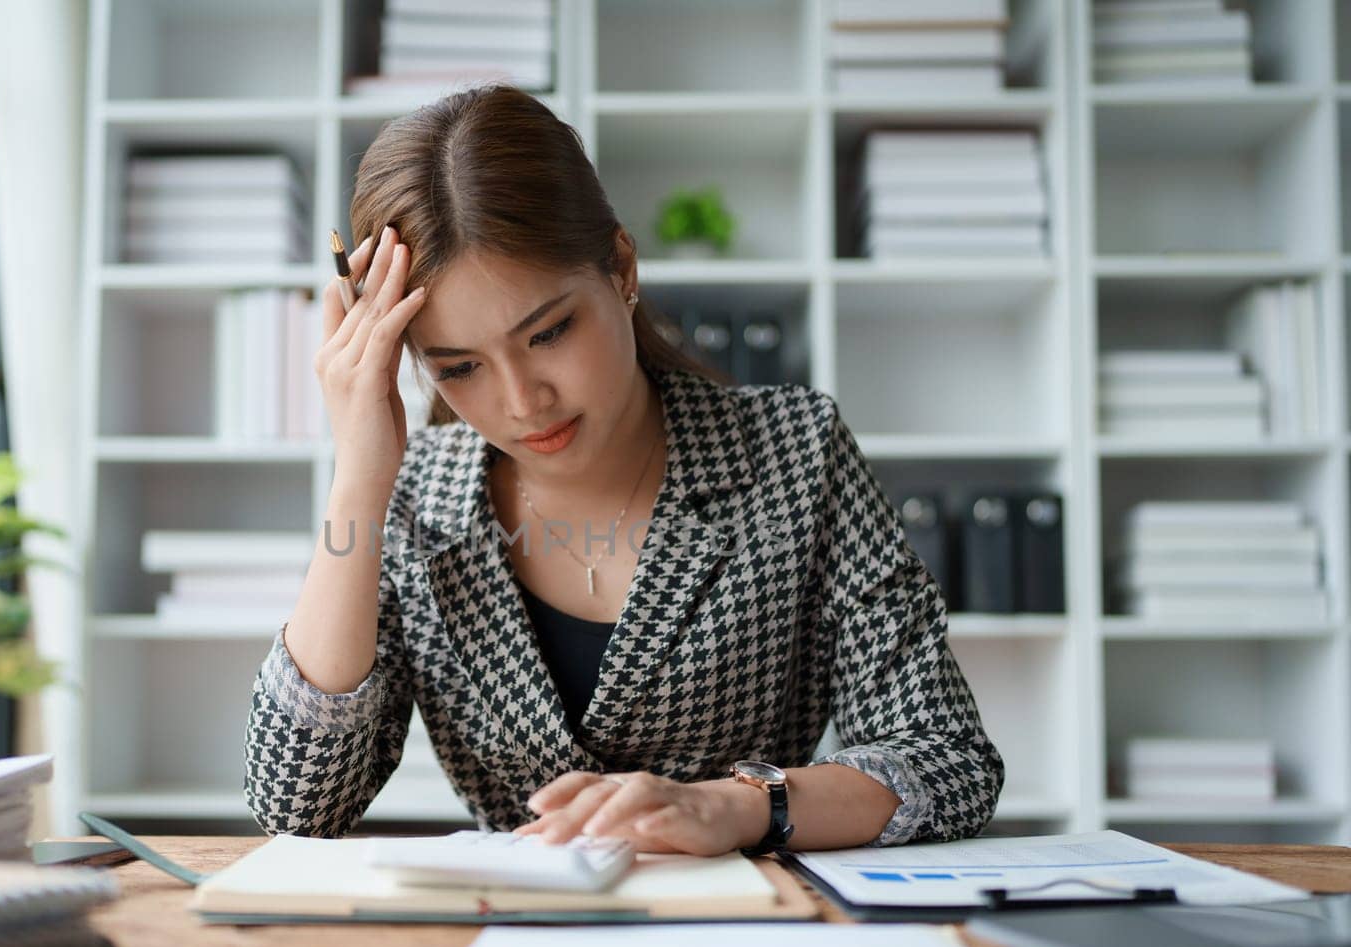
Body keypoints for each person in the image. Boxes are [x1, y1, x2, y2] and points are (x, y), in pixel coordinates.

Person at [243, 84, 1003, 856]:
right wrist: (359, 479)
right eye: (460, 366)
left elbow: (948, 757)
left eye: (549, 332)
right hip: (519, 934)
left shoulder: (795, 451)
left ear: (621, 266)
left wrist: (733, 807)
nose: (522, 401)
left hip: (748, 921)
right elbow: (294, 804)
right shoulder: (414, 499)